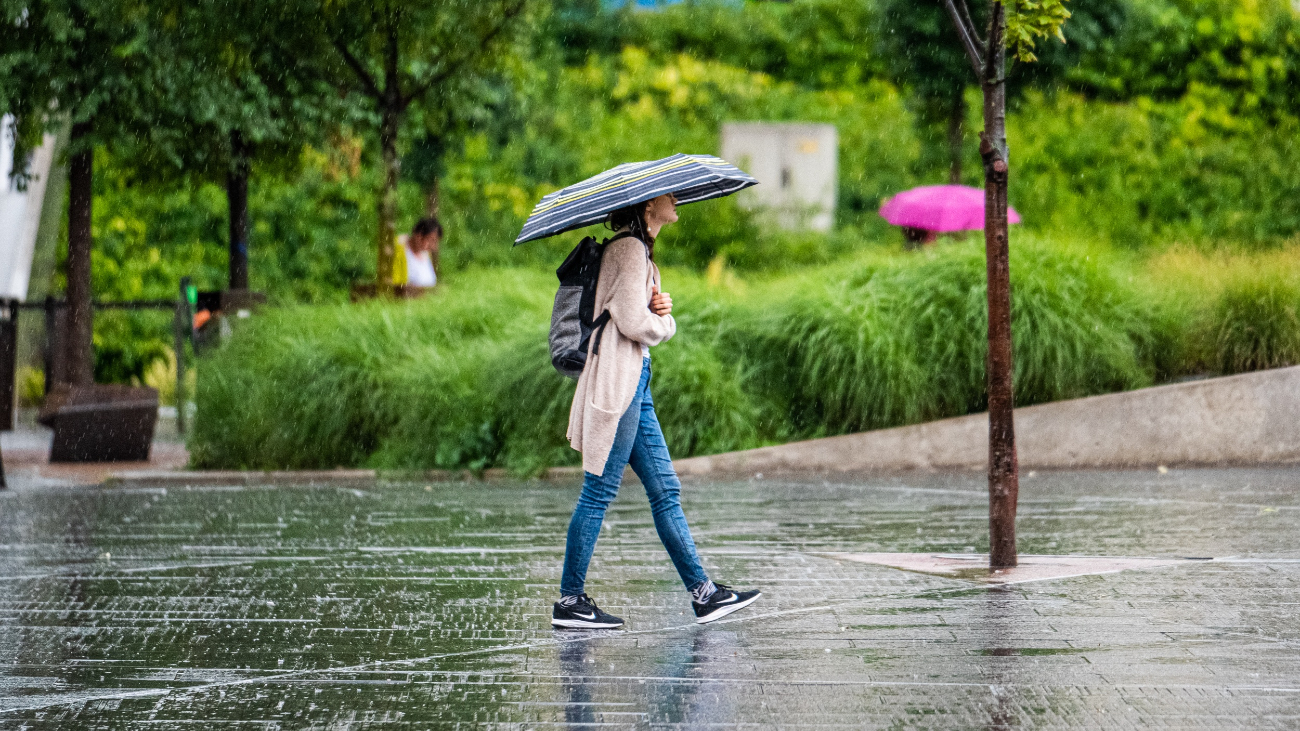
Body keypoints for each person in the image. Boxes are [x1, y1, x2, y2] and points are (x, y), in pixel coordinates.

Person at [552, 192, 761, 630]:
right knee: (598, 491)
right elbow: (632, 322)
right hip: (619, 381)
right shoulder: (628, 249)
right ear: (649, 207)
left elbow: (630, 309)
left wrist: (654, 305)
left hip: (635, 381)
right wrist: (665, 322)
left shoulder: (639, 252)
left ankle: (704, 595)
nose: (677, 200)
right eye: (669, 196)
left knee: (665, 489)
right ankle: (570, 600)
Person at [395, 217, 440, 288]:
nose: (433, 247)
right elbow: (396, 283)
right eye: (431, 240)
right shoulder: (399, 251)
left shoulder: (426, 254)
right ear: (419, 236)